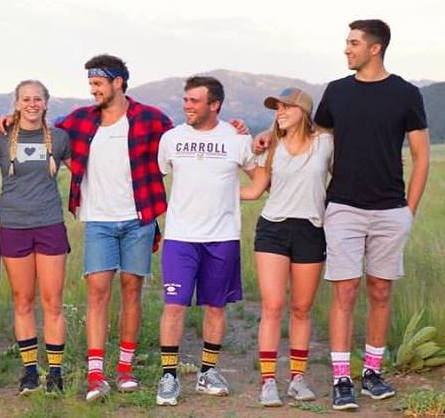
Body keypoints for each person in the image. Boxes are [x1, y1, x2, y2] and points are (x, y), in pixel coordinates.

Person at [314, 20, 430, 411]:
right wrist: (268, 136)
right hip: (344, 206)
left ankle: (373, 372)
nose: (346, 49)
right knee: (345, 292)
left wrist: (408, 211)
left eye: (353, 43)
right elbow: (315, 144)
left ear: (375, 48)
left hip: (390, 211)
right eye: (347, 42)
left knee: (381, 291)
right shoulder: (336, 92)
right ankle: (342, 378)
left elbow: (421, 156)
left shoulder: (406, 94)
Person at [55, 54, 173, 402]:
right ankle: (96, 375)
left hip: (139, 218)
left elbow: (182, 140)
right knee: (98, 292)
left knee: (132, 289)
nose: (93, 90)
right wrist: (7, 118)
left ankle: (124, 369)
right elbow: (42, 126)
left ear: (117, 83)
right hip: (99, 221)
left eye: (98, 84)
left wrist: (237, 130)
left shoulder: (151, 119)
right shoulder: (79, 120)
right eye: (91, 84)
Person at [154, 76, 256, 406]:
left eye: (194, 101)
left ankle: (207, 372)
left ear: (215, 105)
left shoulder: (237, 139)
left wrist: (237, 194)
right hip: (180, 238)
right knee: (174, 306)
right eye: (185, 100)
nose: (187, 106)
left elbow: (260, 178)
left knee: (216, 306)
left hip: (222, 238)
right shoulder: (170, 139)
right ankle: (168, 376)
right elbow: (162, 173)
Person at [240, 88, 332, 406]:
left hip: (311, 230)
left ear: (303, 111)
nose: (279, 111)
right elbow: (254, 191)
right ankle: (268, 382)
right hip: (273, 230)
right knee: (273, 305)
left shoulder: (325, 143)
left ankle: (297, 378)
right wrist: (211, 188)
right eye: (276, 108)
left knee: (302, 309)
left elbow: (345, 175)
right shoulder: (272, 146)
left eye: (286, 107)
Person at [0, 80, 71, 395]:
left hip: (49, 224)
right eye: (26, 99)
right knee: (22, 300)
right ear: (16, 103)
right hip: (13, 225)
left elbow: (84, 170)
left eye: (37, 99)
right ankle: (28, 372)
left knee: (52, 301)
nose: (32, 104)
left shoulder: (60, 138)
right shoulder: (0, 135)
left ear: (46, 103)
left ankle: (54, 372)